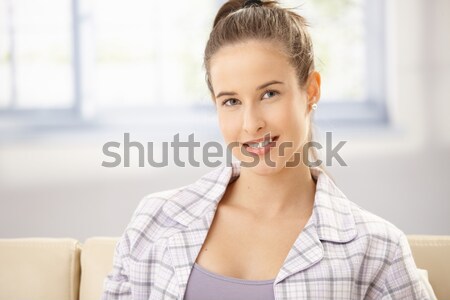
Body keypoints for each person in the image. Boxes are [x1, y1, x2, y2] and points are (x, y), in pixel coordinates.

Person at [102, 0, 429, 299]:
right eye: (231, 101)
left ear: (311, 90)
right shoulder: (156, 220)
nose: (251, 124)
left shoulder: (376, 248)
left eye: (269, 94)